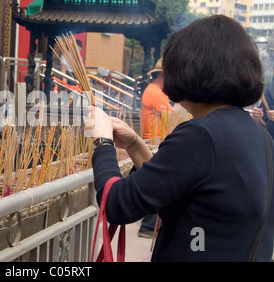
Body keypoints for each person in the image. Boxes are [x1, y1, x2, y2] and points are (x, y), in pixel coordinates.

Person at [86, 15, 274, 261]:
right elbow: (178, 190)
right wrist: (135, 144)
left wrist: (102, 141)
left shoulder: (200, 135)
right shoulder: (260, 136)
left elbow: (117, 204)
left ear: (190, 70)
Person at [138, 58, 172, 238]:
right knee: (157, 185)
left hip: (158, 143)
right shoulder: (154, 92)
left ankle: (151, 225)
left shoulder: (160, 92)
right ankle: (148, 225)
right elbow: (170, 116)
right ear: (163, 75)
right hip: (153, 144)